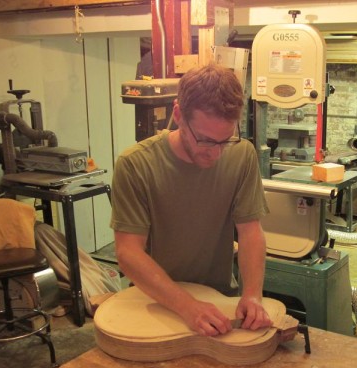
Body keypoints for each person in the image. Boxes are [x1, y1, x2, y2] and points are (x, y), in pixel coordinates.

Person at [110, 63, 271, 336]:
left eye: (226, 140)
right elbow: (128, 253)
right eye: (206, 141)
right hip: (155, 301)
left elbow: (250, 232)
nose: (216, 153)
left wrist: (253, 295)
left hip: (219, 299)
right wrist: (188, 306)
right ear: (178, 115)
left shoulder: (242, 155)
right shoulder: (135, 164)